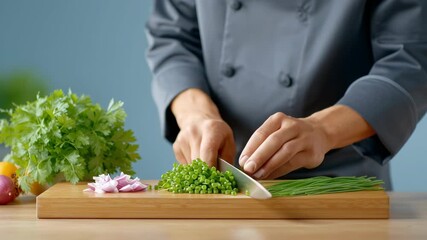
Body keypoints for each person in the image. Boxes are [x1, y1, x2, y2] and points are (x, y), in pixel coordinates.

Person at [145, 0, 427, 190]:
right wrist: (197, 115)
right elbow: (173, 37)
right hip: (225, 173)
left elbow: (411, 60)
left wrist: (323, 130)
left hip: (335, 182)